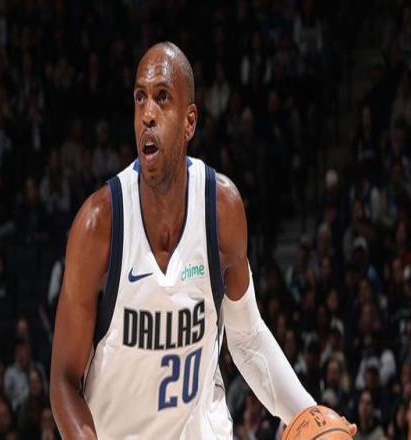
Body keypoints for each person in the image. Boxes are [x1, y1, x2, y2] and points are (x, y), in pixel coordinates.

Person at [50, 42, 357, 439]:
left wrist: (312, 416)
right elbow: (63, 379)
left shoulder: (221, 209)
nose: (147, 114)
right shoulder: (99, 225)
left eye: (162, 98)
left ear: (190, 121)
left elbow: (247, 338)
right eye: (140, 98)